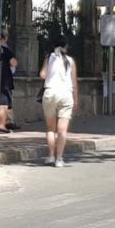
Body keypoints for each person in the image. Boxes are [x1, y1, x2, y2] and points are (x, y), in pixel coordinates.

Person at [39, 35, 78, 167]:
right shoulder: (70, 61)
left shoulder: (49, 58)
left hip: (50, 92)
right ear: (66, 46)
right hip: (66, 94)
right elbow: (74, 82)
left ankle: (50, 155)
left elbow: (42, 75)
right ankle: (59, 159)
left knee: (50, 128)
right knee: (62, 130)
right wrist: (76, 99)